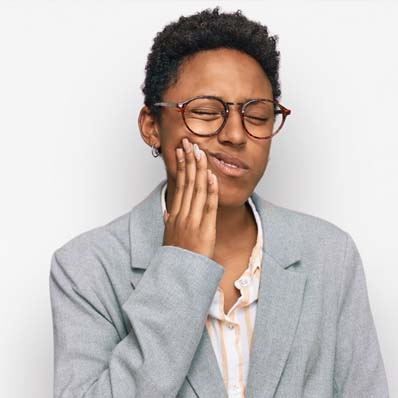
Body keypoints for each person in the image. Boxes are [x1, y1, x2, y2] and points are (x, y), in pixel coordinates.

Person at [49, 7, 389, 398]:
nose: (234, 134)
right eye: (207, 112)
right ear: (151, 127)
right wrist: (180, 267)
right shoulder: (84, 268)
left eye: (257, 116)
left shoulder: (330, 255)